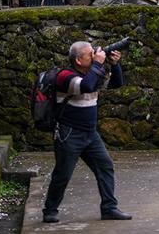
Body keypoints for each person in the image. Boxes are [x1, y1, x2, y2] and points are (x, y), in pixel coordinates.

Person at [42, 41, 132, 224]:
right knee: (63, 173)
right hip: (69, 134)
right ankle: (50, 210)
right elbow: (87, 86)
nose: (94, 55)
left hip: (90, 134)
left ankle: (109, 208)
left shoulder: (92, 74)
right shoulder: (65, 76)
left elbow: (116, 84)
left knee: (105, 166)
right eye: (90, 54)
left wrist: (115, 65)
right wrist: (98, 63)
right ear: (78, 60)